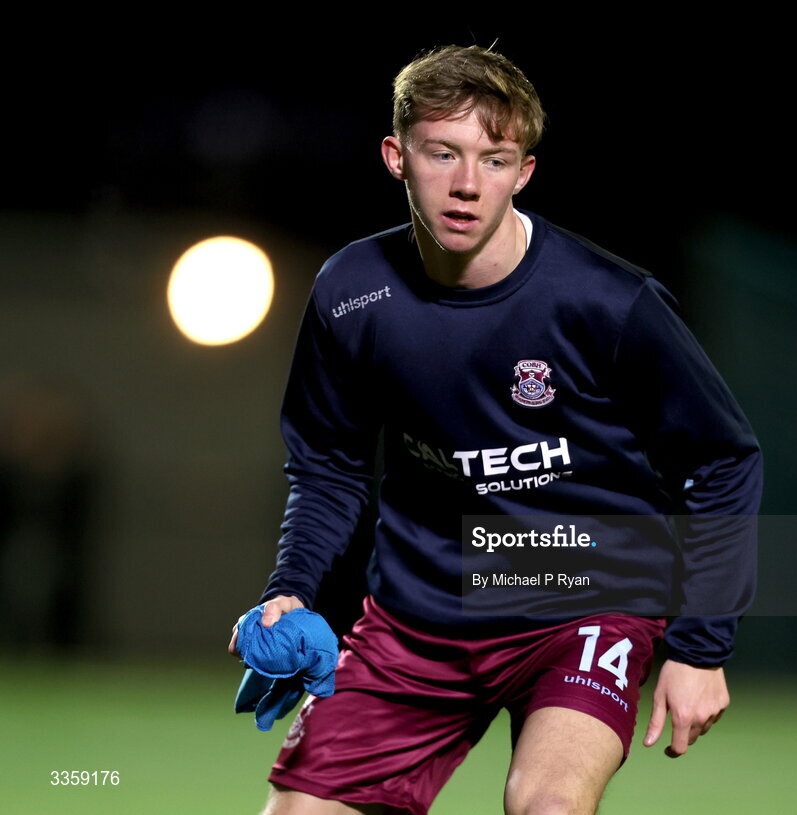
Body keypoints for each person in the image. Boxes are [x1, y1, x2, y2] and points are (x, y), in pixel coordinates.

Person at [229, 43, 762, 815]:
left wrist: (701, 644)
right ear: (396, 156)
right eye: (441, 152)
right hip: (421, 616)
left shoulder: (609, 302)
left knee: (546, 804)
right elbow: (329, 468)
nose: (468, 183)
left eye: (494, 157)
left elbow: (723, 460)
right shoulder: (351, 293)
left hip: (586, 598)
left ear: (524, 172)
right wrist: (290, 589)